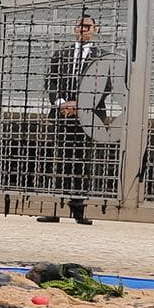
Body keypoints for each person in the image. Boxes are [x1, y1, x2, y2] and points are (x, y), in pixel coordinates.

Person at [39, 13, 108, 224]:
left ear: (95, 29)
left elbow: (105, 86)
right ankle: (56, 207)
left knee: (83, 160)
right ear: (74, 29)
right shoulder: (61, 55)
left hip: (88, 116)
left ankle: (79, 208)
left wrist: (81, 105)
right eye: (80, 26)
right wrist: (61, 103)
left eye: (88, 26)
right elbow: (51, 81)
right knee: (60, 158)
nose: (84, 29)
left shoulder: (103, 57)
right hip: (62, 115)